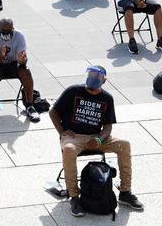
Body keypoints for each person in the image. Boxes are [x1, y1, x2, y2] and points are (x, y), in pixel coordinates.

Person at [49, 65, 144, 217]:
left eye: (97, 76)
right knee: (69, 150)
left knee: (124, 144)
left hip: (96, 137)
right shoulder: (73, 91)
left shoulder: (107, 98)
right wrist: (62, 132)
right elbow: (53, 111)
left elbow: (107, 128)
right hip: (74, 137)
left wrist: (99, 139)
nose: (92, 78)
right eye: (90, 74)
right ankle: (74, 197)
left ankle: (125, 192)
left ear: (104, 80)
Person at [0, 18, 40, 124]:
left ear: (13, 29)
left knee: (26, 71)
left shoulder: (19, 36)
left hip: (13, 64)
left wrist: (23, 60)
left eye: (8, 31)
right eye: (3, 31)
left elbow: (23, 59)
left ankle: (30, 106)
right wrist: (0, 56)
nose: (5, 33)